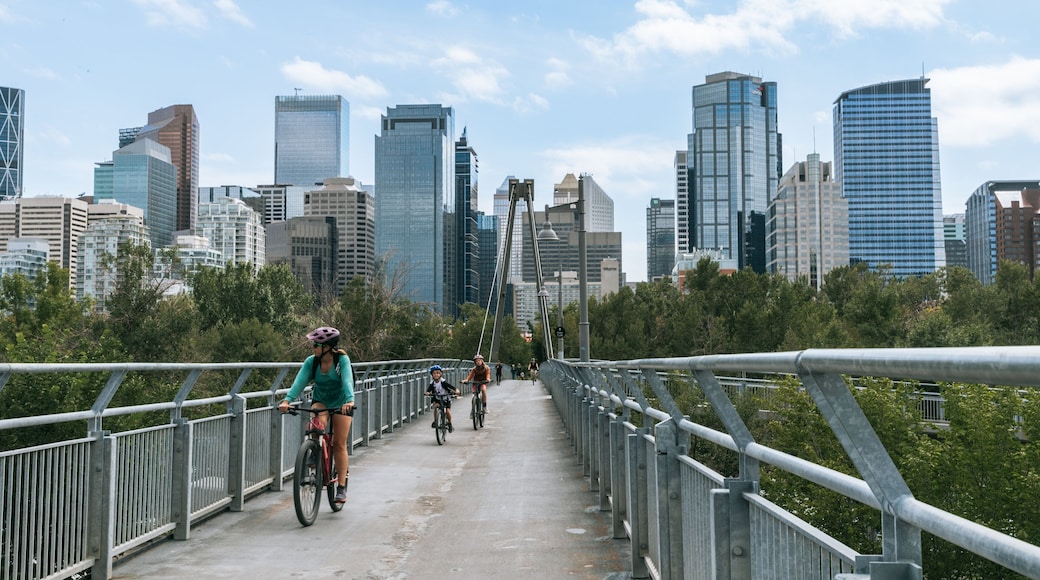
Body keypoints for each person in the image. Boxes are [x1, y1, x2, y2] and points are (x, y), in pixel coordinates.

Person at [279, 326, 355, 504]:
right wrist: (287, 400)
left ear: (327, 346)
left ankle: (341, 487)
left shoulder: (341, 360)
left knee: (339, 443)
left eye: (316, 345)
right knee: (316, 424)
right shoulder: (311, 362)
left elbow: (347, 381)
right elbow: (300, 382)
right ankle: (315, 450)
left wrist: (350, 401)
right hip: (321, 400)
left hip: (341, 402)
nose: (313, 348)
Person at [425, 365, 458, 432]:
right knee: (435, 407)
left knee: (448, 411)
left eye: (438, 373)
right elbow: (429, 389)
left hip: (446, 398)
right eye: (434, 373)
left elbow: (450, 387)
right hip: (438, 399)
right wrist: (427, 392)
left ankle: (449, 423)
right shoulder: (432, 383)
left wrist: (456, 390)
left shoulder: (443, 382)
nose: (436, 375)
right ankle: (435, 420)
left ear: (441, 374)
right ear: (432, 375)